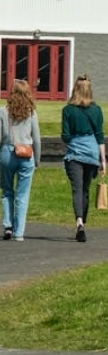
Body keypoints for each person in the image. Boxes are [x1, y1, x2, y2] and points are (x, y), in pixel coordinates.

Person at [61, 74, 105, 243]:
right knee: (86, 189)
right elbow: (100, 136)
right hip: (92, 154)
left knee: (77, 189)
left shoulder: (68, 110)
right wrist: (103, 160)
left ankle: (79, 221)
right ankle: (83, 222)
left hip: (74, 154)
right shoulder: (96, 110)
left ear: (75, 89)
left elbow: (65, 136)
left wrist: (74, 138)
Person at [1, 79, 41, 242]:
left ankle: (8, 225)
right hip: (26, 154)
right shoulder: (31, 112)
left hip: (7, 152)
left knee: (7, 191)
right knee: (22, 195)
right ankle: (19, 232)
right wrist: (37, 160)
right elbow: (36, 139)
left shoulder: (3, 111)